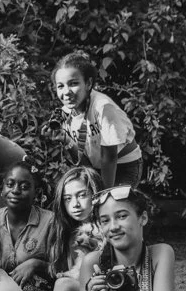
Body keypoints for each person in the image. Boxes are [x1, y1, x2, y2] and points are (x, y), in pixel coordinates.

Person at [52, 52, 142, 189]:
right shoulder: (65, 113)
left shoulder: (103, 107)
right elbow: (83, 162)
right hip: (97, 167)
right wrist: (66, 139)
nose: (66, 92)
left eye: (73, 84)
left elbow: (109, 157)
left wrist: (103, 193)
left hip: (123, 166)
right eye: (60, 86)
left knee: (112, 201)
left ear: (88, 83)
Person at [0, 162, 56, 291]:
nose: (15, 190)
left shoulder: (50, 222)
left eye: (24, 187)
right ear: (2, 189)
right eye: (10, 184)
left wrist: (36, 264)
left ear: (36, 193)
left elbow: (63, 270)